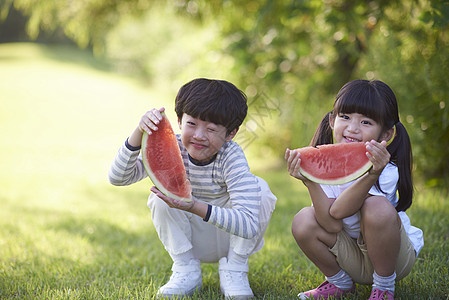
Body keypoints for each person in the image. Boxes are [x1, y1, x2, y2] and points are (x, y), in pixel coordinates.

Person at [108, 78, 277, 299]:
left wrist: (194, 205)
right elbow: (118, 178)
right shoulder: (171, 147)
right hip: (188, 240)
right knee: (160, 196)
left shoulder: (231, 157)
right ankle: (186, 270)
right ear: (178, 120)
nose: (199, 135)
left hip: (230, 239)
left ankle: (235, 270)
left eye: (211, 129)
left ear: (231, 134)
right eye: (192, 124)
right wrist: (139, 133)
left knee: (260, 189)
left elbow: (248, 226)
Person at [285, 79, 423, 300]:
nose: (352, 128)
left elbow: (339, 211)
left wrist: (372, 175)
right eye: (345, 117)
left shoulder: (386, 170)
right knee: (303, 219)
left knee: (377, 205)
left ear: (386, 134)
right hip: (352, 257)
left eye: (366, 122)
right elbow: (330, 223)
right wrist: (310, 181)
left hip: (393, 259)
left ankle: (384, 289)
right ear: (332, 120)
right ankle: (341, 283)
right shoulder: (326, 168)